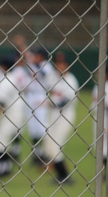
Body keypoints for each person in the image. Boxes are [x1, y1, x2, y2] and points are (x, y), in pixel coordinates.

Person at [0, 52, 31, 178]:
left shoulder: (5, 79)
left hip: (11, 112)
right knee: (5, 141)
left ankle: (0, 170)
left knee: (0, 141)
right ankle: (5, 168)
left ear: (4, 67)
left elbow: (2, 102)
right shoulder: (15, 76)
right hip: (18, 111)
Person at [43, 55, 79, 184]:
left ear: (68, 66)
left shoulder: (71, 80)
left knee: (55, 146)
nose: (59, 66)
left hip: (66, 116)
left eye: (62, 64)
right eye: (58, 64)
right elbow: (47, 89)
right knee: (48, 146)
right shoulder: (55, 78)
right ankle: (61, 175)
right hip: (53, 115)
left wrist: (51, 102)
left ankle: (64, 176)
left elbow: (65, 101)